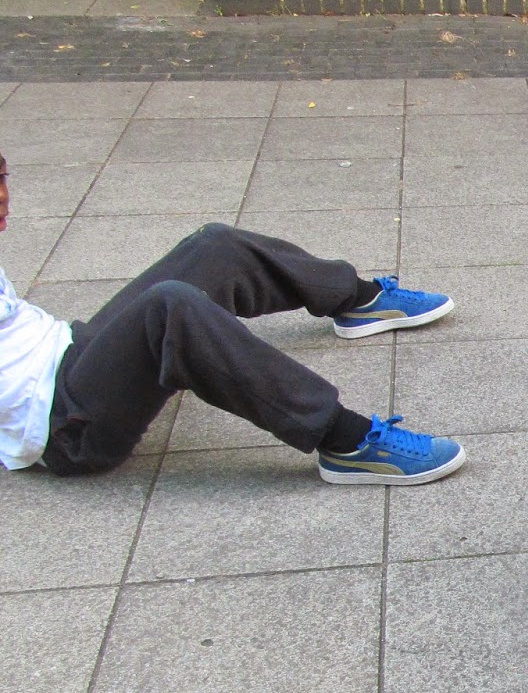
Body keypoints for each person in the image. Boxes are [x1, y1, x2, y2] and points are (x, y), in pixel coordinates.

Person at [0, 154, 465, 485]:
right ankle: (348, 443)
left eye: (1, 176)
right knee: (170, 308)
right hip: (63, 423)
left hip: (69, 349)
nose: (3, 196)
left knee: (213, 247)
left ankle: (358, 299)